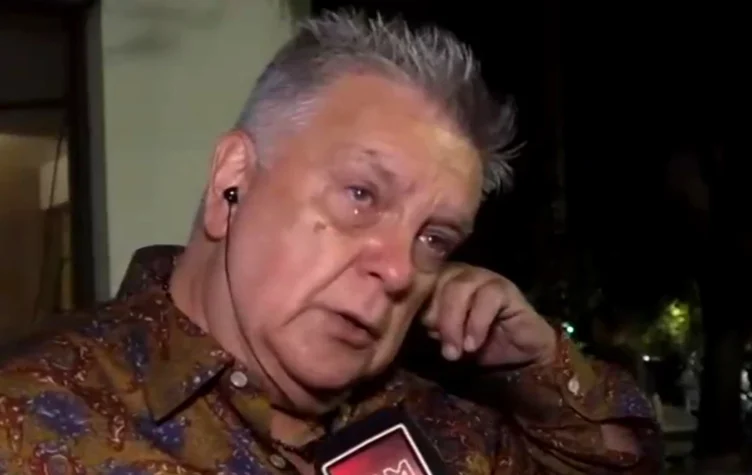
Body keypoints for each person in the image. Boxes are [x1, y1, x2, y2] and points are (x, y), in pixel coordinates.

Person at [0, 11, 661, 474]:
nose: (399, 269)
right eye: (362, 195)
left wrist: (534, 366)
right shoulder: (30, 422)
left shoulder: (448, 427)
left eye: (433, 237)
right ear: (233, 180)